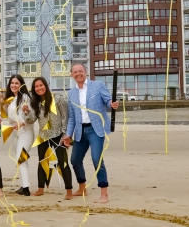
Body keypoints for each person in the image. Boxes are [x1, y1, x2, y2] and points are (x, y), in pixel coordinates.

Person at [63, 64, 119, 203]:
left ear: (86, 72)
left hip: (96, 129)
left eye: (80, 71)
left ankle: (104, 193)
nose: (78, 74)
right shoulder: (71, 94)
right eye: (75, 72)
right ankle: (82, 188)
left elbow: (108, 101)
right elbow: (71, 117)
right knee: (75, 160)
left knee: (97, 159)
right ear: (72, 75)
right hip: (80, 131)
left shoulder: (97, 85)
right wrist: (68, 134)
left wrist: (112, 104)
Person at [22, 77, 73, 199]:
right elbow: (31, 120)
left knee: (63, 162)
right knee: (42, 162)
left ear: (46, 85)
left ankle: (69, 191)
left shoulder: (58, 99)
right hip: (43, 136)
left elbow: (66, 117)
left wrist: (65, 134)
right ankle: (40, 188)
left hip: (59, 135)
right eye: (36, 87)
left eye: (41, 85)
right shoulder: (35, 103)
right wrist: (26, 112)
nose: (39, 88)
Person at [3, 74, 34, 196]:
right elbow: (11, 118)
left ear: (21, 85)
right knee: (20, 160)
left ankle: (26, 188)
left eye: (16, 83)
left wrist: (25, 115)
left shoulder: (25, 98)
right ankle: (23, 185)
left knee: (20, 159)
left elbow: (31, 115)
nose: (14, 85)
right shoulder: (11, 99)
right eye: (12, 83)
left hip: (26, 132)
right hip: (15, 132)